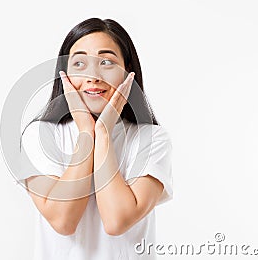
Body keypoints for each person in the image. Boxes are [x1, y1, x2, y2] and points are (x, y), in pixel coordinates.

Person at [18, 18, 173, 260]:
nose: (93, 76)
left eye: (107, 62)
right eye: (79, 62)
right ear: (65, 73)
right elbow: (63, 220)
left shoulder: (151, 139)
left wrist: (102, 133)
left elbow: (116, 221)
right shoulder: (39, 135)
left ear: (127, 71)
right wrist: (86, 133)